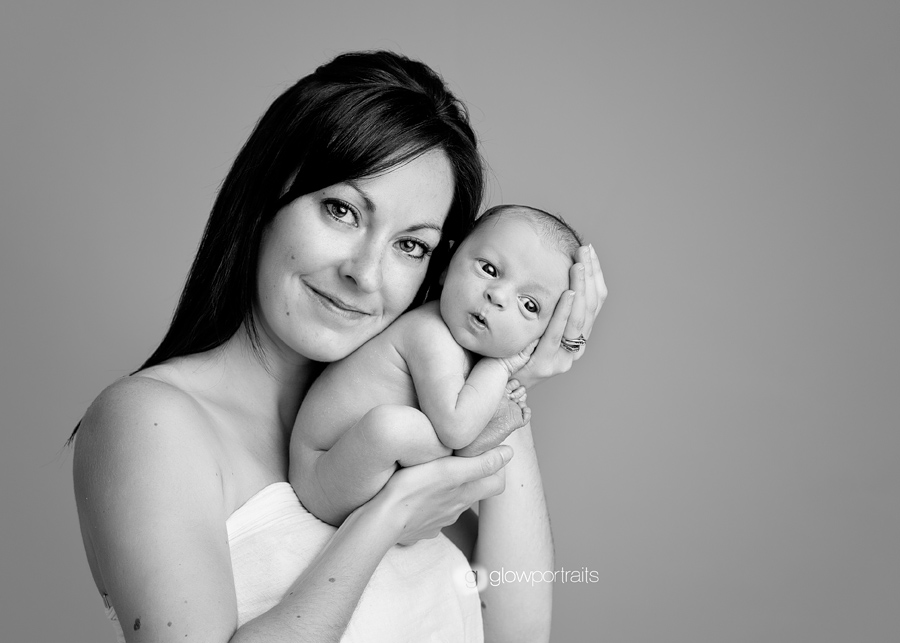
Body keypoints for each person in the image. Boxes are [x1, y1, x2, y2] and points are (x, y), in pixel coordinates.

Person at [71, 50, 606, 643]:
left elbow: (517, 632)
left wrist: (511, 369)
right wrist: (388, 515)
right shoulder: (150, 422)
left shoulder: (416, 412)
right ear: (267, 197)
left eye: (412, 245)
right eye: (342, 210)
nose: (366, 272)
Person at [292, 205, 583, 526]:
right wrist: (501, 368)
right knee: (393, 427)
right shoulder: (429, 332)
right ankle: (472, 451)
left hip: (366, 480)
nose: (498, 295)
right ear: (446, 265)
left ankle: (473, 450)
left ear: (541, 338)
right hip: (322, 475)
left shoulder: (463, 348)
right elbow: (456, 428)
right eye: (489, 269)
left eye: (529, 305)